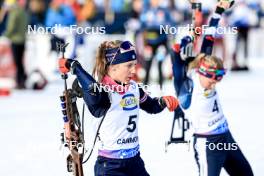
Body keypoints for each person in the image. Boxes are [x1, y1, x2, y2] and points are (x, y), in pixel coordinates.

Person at [59, 40, 179, 176]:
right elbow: (92, 89)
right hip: (110, 166)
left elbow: (152, 106)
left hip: (135, 163)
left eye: (134, 65)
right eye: (128, 66)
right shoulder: (103, 92)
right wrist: (74, 66)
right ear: (113, 67)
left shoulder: (134, 88)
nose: (134, 71)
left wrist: (163, 101)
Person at [170, 1, 254, 176]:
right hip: (207, 143)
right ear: (202, 72)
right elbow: (175, 59)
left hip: (225, 135)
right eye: (213, 78)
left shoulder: (203, 64)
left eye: (219, 78)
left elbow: (209, 36)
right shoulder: (186, 85)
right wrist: (183, 43)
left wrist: (219, 11)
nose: (215, 83)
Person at [3, 0, 28, 89]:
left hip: (15, 40)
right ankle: (23, 80)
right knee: (20, 62)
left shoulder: (14, 13)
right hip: (23, 39)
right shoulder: (23, 12)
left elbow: (11, 27)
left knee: (17, 62)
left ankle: (20, 82)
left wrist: (5, 35)